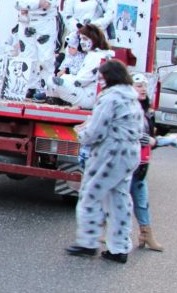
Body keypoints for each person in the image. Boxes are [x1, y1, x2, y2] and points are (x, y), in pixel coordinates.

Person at [67, 60, 143, 263]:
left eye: (102, 76)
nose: (100, 80)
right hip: (129, 153)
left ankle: (87, 243)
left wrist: (81, 134)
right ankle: (119, 248)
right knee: (119, 199)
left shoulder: (110, 98)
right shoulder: (131, 97)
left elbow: (97, 129)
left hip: (110, 153)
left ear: (110, 77)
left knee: (90, 196)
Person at [7, 0, 60, 97]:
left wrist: (28, 5)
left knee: (45, 57)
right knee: (28, 55)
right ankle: (31, 85)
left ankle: (47, 89)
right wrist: (37, 2)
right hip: (27, 23)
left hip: (45, 23)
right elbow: (18, 3)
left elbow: (49, 3)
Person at [131, 73, 169, 252]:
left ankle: (146, 234)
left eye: (145, 86)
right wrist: (148, 140)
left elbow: (151, 140)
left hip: (142, 163)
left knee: (142, 201)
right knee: (115, 200)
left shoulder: (147, 112)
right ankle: (102, 234)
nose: (143, 89)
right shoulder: (128, 109)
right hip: (126, 164)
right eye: (138, 85)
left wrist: (159, 141)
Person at [44, 24, 114, 108]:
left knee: (52, 81)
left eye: (84, 39)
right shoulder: (100, 54)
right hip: (93, 95)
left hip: (88, 97)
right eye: (80, 39)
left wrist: (65, 78)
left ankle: (56, 100)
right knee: (59, 80)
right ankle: (59, 100)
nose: (81, 42)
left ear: (94, 39)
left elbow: (81, 81)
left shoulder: (94, 56)